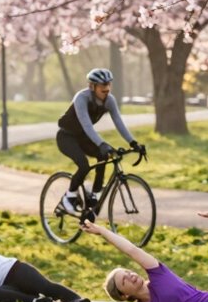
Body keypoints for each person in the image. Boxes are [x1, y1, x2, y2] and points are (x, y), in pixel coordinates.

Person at [57, 68, 145, 221]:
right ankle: (68, 198)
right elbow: (87, 125)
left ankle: (94, 195)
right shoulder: (81, 98)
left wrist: (133, 142)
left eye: (108, 84)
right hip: (66, 137)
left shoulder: (109, 100)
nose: (107, 88)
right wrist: (102, 143)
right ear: (92, 86)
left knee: (103, 156)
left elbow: (118, 121)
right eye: (102, 85)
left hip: (83, 137)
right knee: (83, 165)